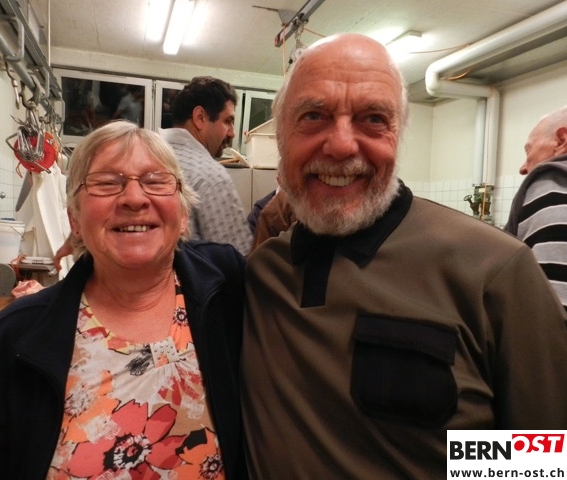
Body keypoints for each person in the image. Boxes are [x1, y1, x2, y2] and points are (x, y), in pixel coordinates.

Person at [240, 33, 567, 479]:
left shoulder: (494, 270)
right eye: (313, 116)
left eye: (373, 119)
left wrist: (443, 461)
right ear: (281, 138)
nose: (341, 145)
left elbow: (545, 457)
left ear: (399, 136)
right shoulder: (264, 272)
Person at [0, 121, 247, 480]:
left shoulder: (229, 290)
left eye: (156, 181)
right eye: (106, 183)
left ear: (184, 214)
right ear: (74, 219)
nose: (134, 198)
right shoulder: (10, 342)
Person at [161, 76, 253, 255]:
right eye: (227, 121)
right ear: (200, 117)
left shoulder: (147, 157)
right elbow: (235, 258)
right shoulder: (210, 176)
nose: (232, 133)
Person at [504, 105, 567, 310]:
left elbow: (555, 306)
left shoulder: (553, 181)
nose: (523, 168)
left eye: (528, 150)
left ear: (562, 140)